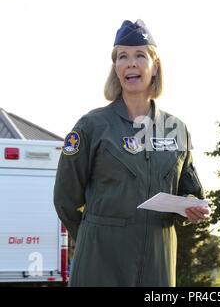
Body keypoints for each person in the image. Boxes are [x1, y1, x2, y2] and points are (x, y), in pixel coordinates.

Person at [54, 19, 209, 287]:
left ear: (155, 65)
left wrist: (191, 209)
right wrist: (96, 238)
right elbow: (65, 198)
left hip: (158, 266)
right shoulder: (91, 126)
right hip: (100, 265)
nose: (131, 63)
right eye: (122, 57)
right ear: (115, 68)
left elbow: (191, 191)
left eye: (140, 55)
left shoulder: (176, 129)